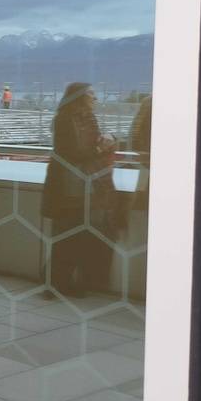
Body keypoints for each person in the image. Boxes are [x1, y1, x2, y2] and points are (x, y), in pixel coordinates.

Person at [41, 82, 120, 297]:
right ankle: (55, 283)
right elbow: (73, 153)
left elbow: (87, 147)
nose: (95, 98)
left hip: (84, 185)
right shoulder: (66, 119)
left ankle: (63, 282)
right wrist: (99, 147)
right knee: (67, 233)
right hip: (69, 187)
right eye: (91, 94)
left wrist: (107, 140)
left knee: (75, 234)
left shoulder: (86, 118)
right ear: (78, 97)